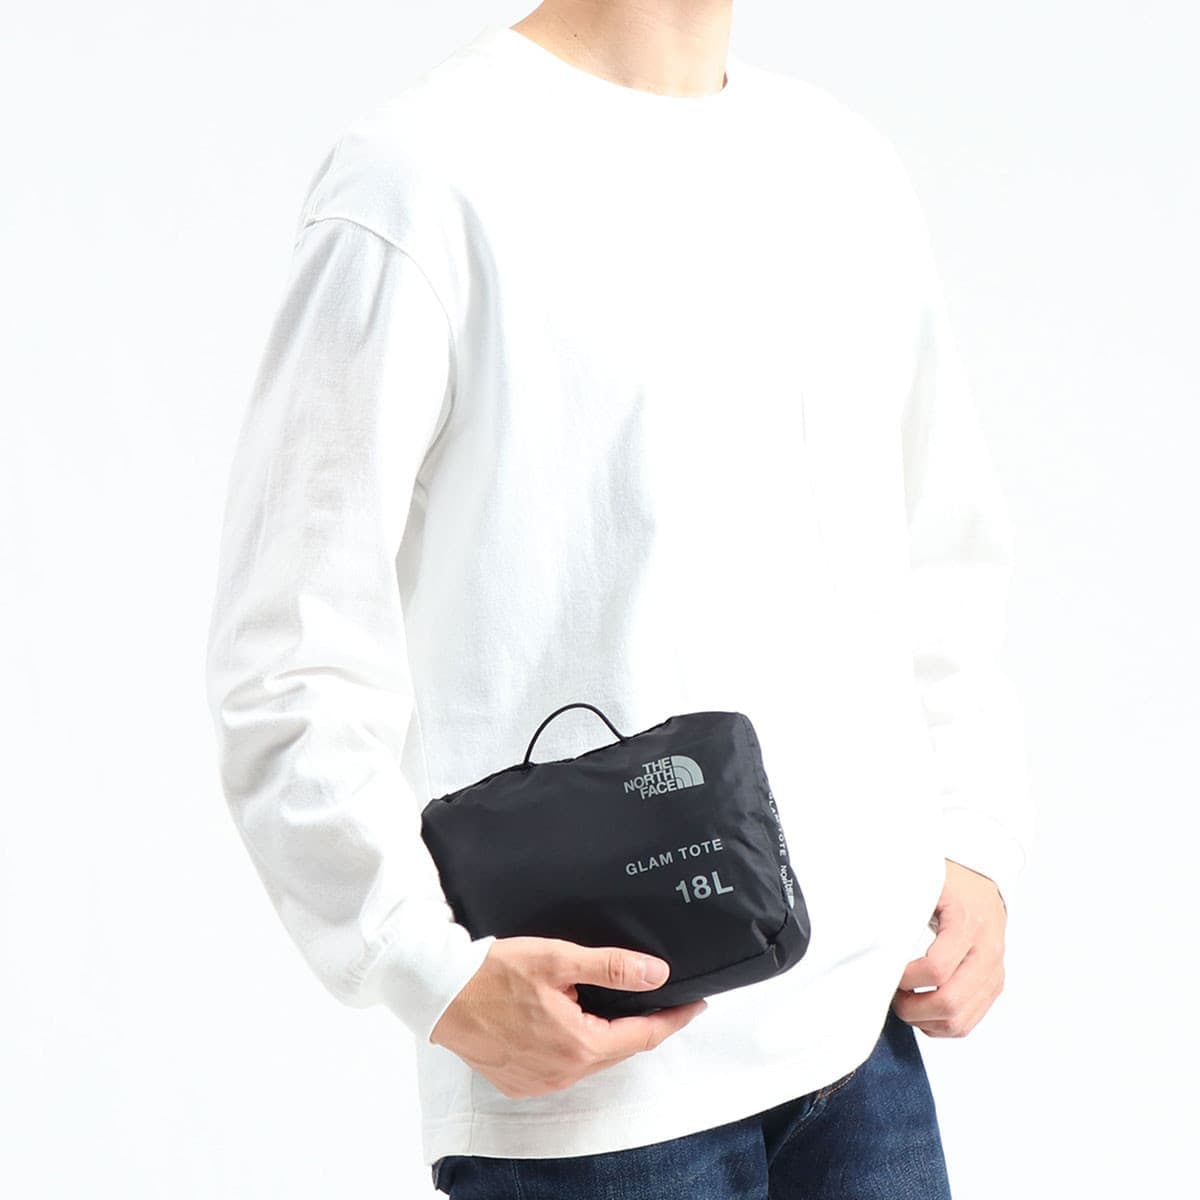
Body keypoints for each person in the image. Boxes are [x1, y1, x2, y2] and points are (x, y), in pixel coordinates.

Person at [204, 3, 1033, 1197]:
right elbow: (289, 645)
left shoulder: (840, 164)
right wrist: (423, 965)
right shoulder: (423, 178)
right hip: (600, 1079)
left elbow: (934, 549)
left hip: (864, 1037)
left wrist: (974, 839)